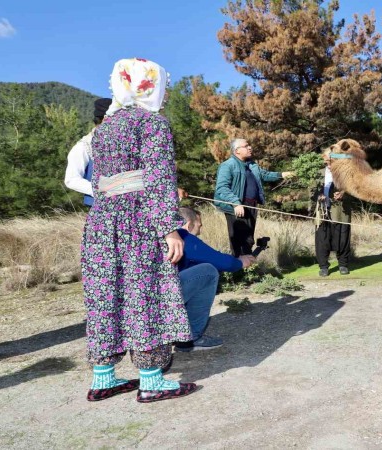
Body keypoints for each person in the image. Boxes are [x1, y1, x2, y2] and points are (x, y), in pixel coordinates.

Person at [82, 57, 196, 403]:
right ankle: (151, 380)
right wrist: (169, 228)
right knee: (144, 292)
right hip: (138, 219)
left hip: (102, 220)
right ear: (150, 85)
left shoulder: (103, 128)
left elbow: (100, 183)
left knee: (106, 294)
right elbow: (160, 179)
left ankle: (103, 377)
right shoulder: (152, 124)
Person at [174, 207, 255, 352]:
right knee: (208, 272)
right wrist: (241, 262)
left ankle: (175, 332)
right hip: (164, 297)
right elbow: (224, 263)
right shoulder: (183, 236)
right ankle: (191, 337)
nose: (200, 231)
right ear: (188, 224)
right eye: (199, 226)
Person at [214, 138, 295, 256]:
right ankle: (239, 271)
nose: (250, 147)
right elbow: (222, 188)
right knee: (239, 242)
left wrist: (282, 175)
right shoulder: (227, 166)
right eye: (246, 146)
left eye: (249, 145)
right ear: (237, 151)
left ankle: (248, 268)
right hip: (237, 207)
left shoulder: (251, 164)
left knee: (249, 240)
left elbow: (264, 175)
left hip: (251, 206)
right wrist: (235, 202)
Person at [309, 155, 355, 277]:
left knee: (342, 239)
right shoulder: (319, 174)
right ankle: (323, 266)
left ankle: (343, 265)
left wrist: (343, 194)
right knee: (322, 240)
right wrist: (319, 196)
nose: (329, 166)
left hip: (341, 213)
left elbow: (354, 191)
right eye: (327, 163)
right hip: (322, 213)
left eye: (331, 163)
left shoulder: (345, 175)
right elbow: (312, 192)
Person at [64, 98, 112, 206]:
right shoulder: (84, 146)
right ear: (105, 119)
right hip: (98, 211)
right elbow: (71, 179)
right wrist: (100, 190)